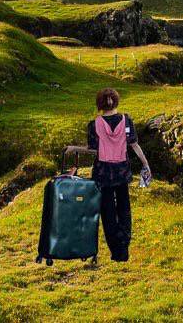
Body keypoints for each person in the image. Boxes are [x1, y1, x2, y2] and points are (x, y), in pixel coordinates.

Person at [65, 87, 151, 262]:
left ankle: (116, 252)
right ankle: (124, 249)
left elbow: (93, 150)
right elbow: (134, 145)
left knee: (108, 213)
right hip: (122, 172)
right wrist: (145, 164)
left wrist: (74, 148)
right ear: (116, 101)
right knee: (124, 210)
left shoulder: (94, 124)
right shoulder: (126, 121)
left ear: (100, 104)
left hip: (103, 174)